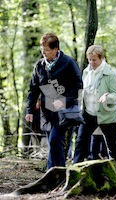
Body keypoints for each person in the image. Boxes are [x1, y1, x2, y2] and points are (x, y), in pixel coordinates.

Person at [25, 33, 83, 170]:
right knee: (54, 145)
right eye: (42, 50)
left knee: (55, 140)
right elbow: (33, 90)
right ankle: (60, 173)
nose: (43, 53)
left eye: (46, 50)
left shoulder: (68, 63)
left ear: (55, 49)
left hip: (63, 112)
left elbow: (78, 86)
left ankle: (50, 173)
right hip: (46, 112)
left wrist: (64, 101)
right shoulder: (39, 66)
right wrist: (30, 110)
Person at [73, 45, 116, 174]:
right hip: (88, 113)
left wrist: (107, 97)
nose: (91, 62)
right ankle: (75, 171)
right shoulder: (86, 72)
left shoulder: (109, 73)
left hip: (106, 114)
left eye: (94, 60)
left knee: (112, 146)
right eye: (89, 59)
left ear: (101, 58)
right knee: (80, 142)